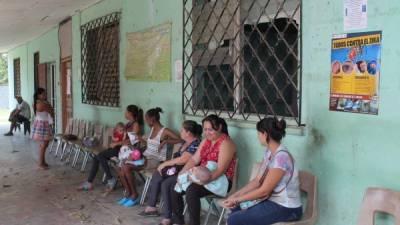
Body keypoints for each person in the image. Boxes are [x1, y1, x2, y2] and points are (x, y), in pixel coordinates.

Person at [223, 117, 302, 225]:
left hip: (287, 208)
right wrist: (235, 196)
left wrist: (238, 199)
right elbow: (257, 181)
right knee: (235, 210)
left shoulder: (281, 157)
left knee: (235, 219)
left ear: (265, 134)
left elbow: (264, 191)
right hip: (272, 202)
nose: (258, 136)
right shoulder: (269, 152)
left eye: (259, 133)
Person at [170, 114, 237, 225]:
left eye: (210, 129)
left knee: (192, 190)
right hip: (202, 174)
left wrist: (204, 180)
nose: (207, 133)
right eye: (205, 129)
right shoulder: (206, 141)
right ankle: (178, 221)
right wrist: (182, 173)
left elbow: (220, 170)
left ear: (219, 127)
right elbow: (194, 159)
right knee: (175, 185)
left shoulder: (226, 143)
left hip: (220, 180)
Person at [138, 120, 202, 225]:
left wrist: (165, 164)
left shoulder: (196, 144)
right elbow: (178, 157)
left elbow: (184, 160)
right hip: (177, 169)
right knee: (158, 173)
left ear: (189, 133)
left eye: (182, 130)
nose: (180, 132)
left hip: (187, 172)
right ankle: (152, 207)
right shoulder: (185, 142)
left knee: (166, 184)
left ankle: (168, 217)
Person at [118, 107, 182, 207]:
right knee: (122, 167)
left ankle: (134, 195)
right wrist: (139, 139)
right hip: (146, 157)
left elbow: (180, 140)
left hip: (155, 160)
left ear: (152, 119)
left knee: (126, 167)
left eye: (146, 119)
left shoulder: (165, 131)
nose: (146, 121)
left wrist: (166, 141)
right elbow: (149, 145)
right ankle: (128, 194)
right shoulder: (152, 129)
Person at [78, 105, 144, 191]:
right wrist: (115, 139)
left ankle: (109, 179)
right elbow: (122, 136)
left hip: (126, 151)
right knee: (97, 157)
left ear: (130, 113)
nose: (125, 113)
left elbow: (132, 142)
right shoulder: (128, 124)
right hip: (119, 148)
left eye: (126, 111)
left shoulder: (135, 125)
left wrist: (116, 143)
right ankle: (90, 182)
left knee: (100, 156)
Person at [31, 88, 54, 170]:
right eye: (43, 94)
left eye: (45, 94)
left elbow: (50, 109)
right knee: (44, 145)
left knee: (45, 144)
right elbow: (51, 110)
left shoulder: (38, 102)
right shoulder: (41, 104)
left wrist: (50, 107)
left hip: (42, 123)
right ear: (38, 95)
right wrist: (50, 107)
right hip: (42, 124)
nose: (44, 95)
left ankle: (42, 161)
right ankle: (40, 163)